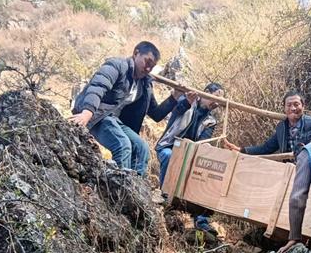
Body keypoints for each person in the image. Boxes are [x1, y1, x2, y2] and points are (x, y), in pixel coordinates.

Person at [70, 41, 180, 175]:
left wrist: (174, 97)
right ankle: (119, 189)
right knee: (123, 145)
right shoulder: (116, 65)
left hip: (114, 120)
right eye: (147, 62)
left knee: (142, 148)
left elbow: (156, 114)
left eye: (152, 66)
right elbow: (98, 86)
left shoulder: (145, 84)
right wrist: (87, 113)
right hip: (97, 115)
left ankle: (136, 189)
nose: (148, 69)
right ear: (136, 53)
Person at [155, 82, 225, 188]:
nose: (216, 103)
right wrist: (187, 102)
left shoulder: (211, 121)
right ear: (206, 93)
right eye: (215, 98)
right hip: (168, 146)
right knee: (169, 156)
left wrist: (206, 147)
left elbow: (204, 140)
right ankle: (164, 190)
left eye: (220, 101)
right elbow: (177, 111)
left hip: (189, 153)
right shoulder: (186, 101)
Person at [224, 90, 311, 156]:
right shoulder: (282, 128)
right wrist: (241, 150)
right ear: (284, 108)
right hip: (289, 171)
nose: (293, 108)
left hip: (310, 170)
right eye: (289, 105)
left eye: (296, 104)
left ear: (303, 106)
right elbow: (266, 148)